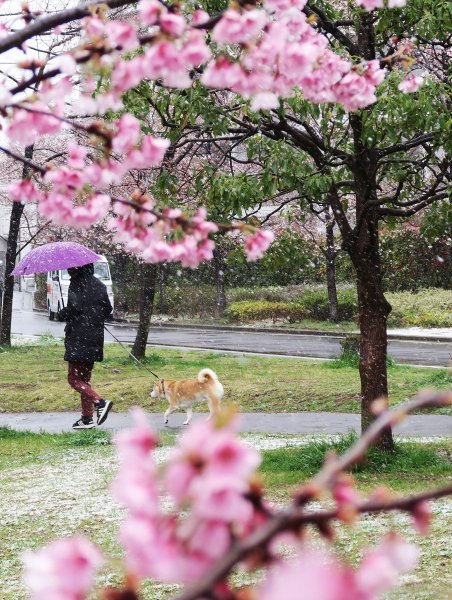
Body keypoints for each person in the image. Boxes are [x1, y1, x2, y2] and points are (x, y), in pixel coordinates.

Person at [57, 263, 113, 429]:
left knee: (74, 379)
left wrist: (62, 313)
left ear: (78, 268)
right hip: (94, 337)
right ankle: (87, 419)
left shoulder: (76, 284)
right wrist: (94, 316)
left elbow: (74, 308)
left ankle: (100, 402)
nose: (68, 270)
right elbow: (107, 309)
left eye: (70, 268)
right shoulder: (99, 285)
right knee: (84, 380)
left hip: (78, 338)